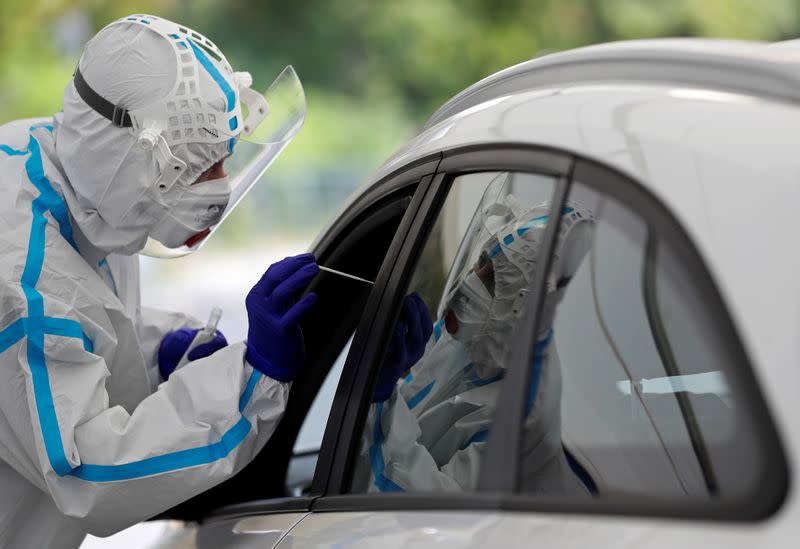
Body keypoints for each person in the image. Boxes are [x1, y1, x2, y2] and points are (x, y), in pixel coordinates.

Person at [0, 14, 316, 548]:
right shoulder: (21, 283)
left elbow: (86, 312)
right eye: (201, 167)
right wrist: (245, 386)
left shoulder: (77, 176)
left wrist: (159, 351)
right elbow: (86, 471)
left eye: (224, 160)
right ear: (132, 158)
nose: (218, 188)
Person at [355, 195, 594, 494]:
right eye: (482, 262)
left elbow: (434, 507)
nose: (471, 281)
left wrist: (381, 402)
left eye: (494, 279)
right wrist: (393, 377)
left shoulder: (525, 416)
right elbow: (412, 396)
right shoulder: (475, 338)